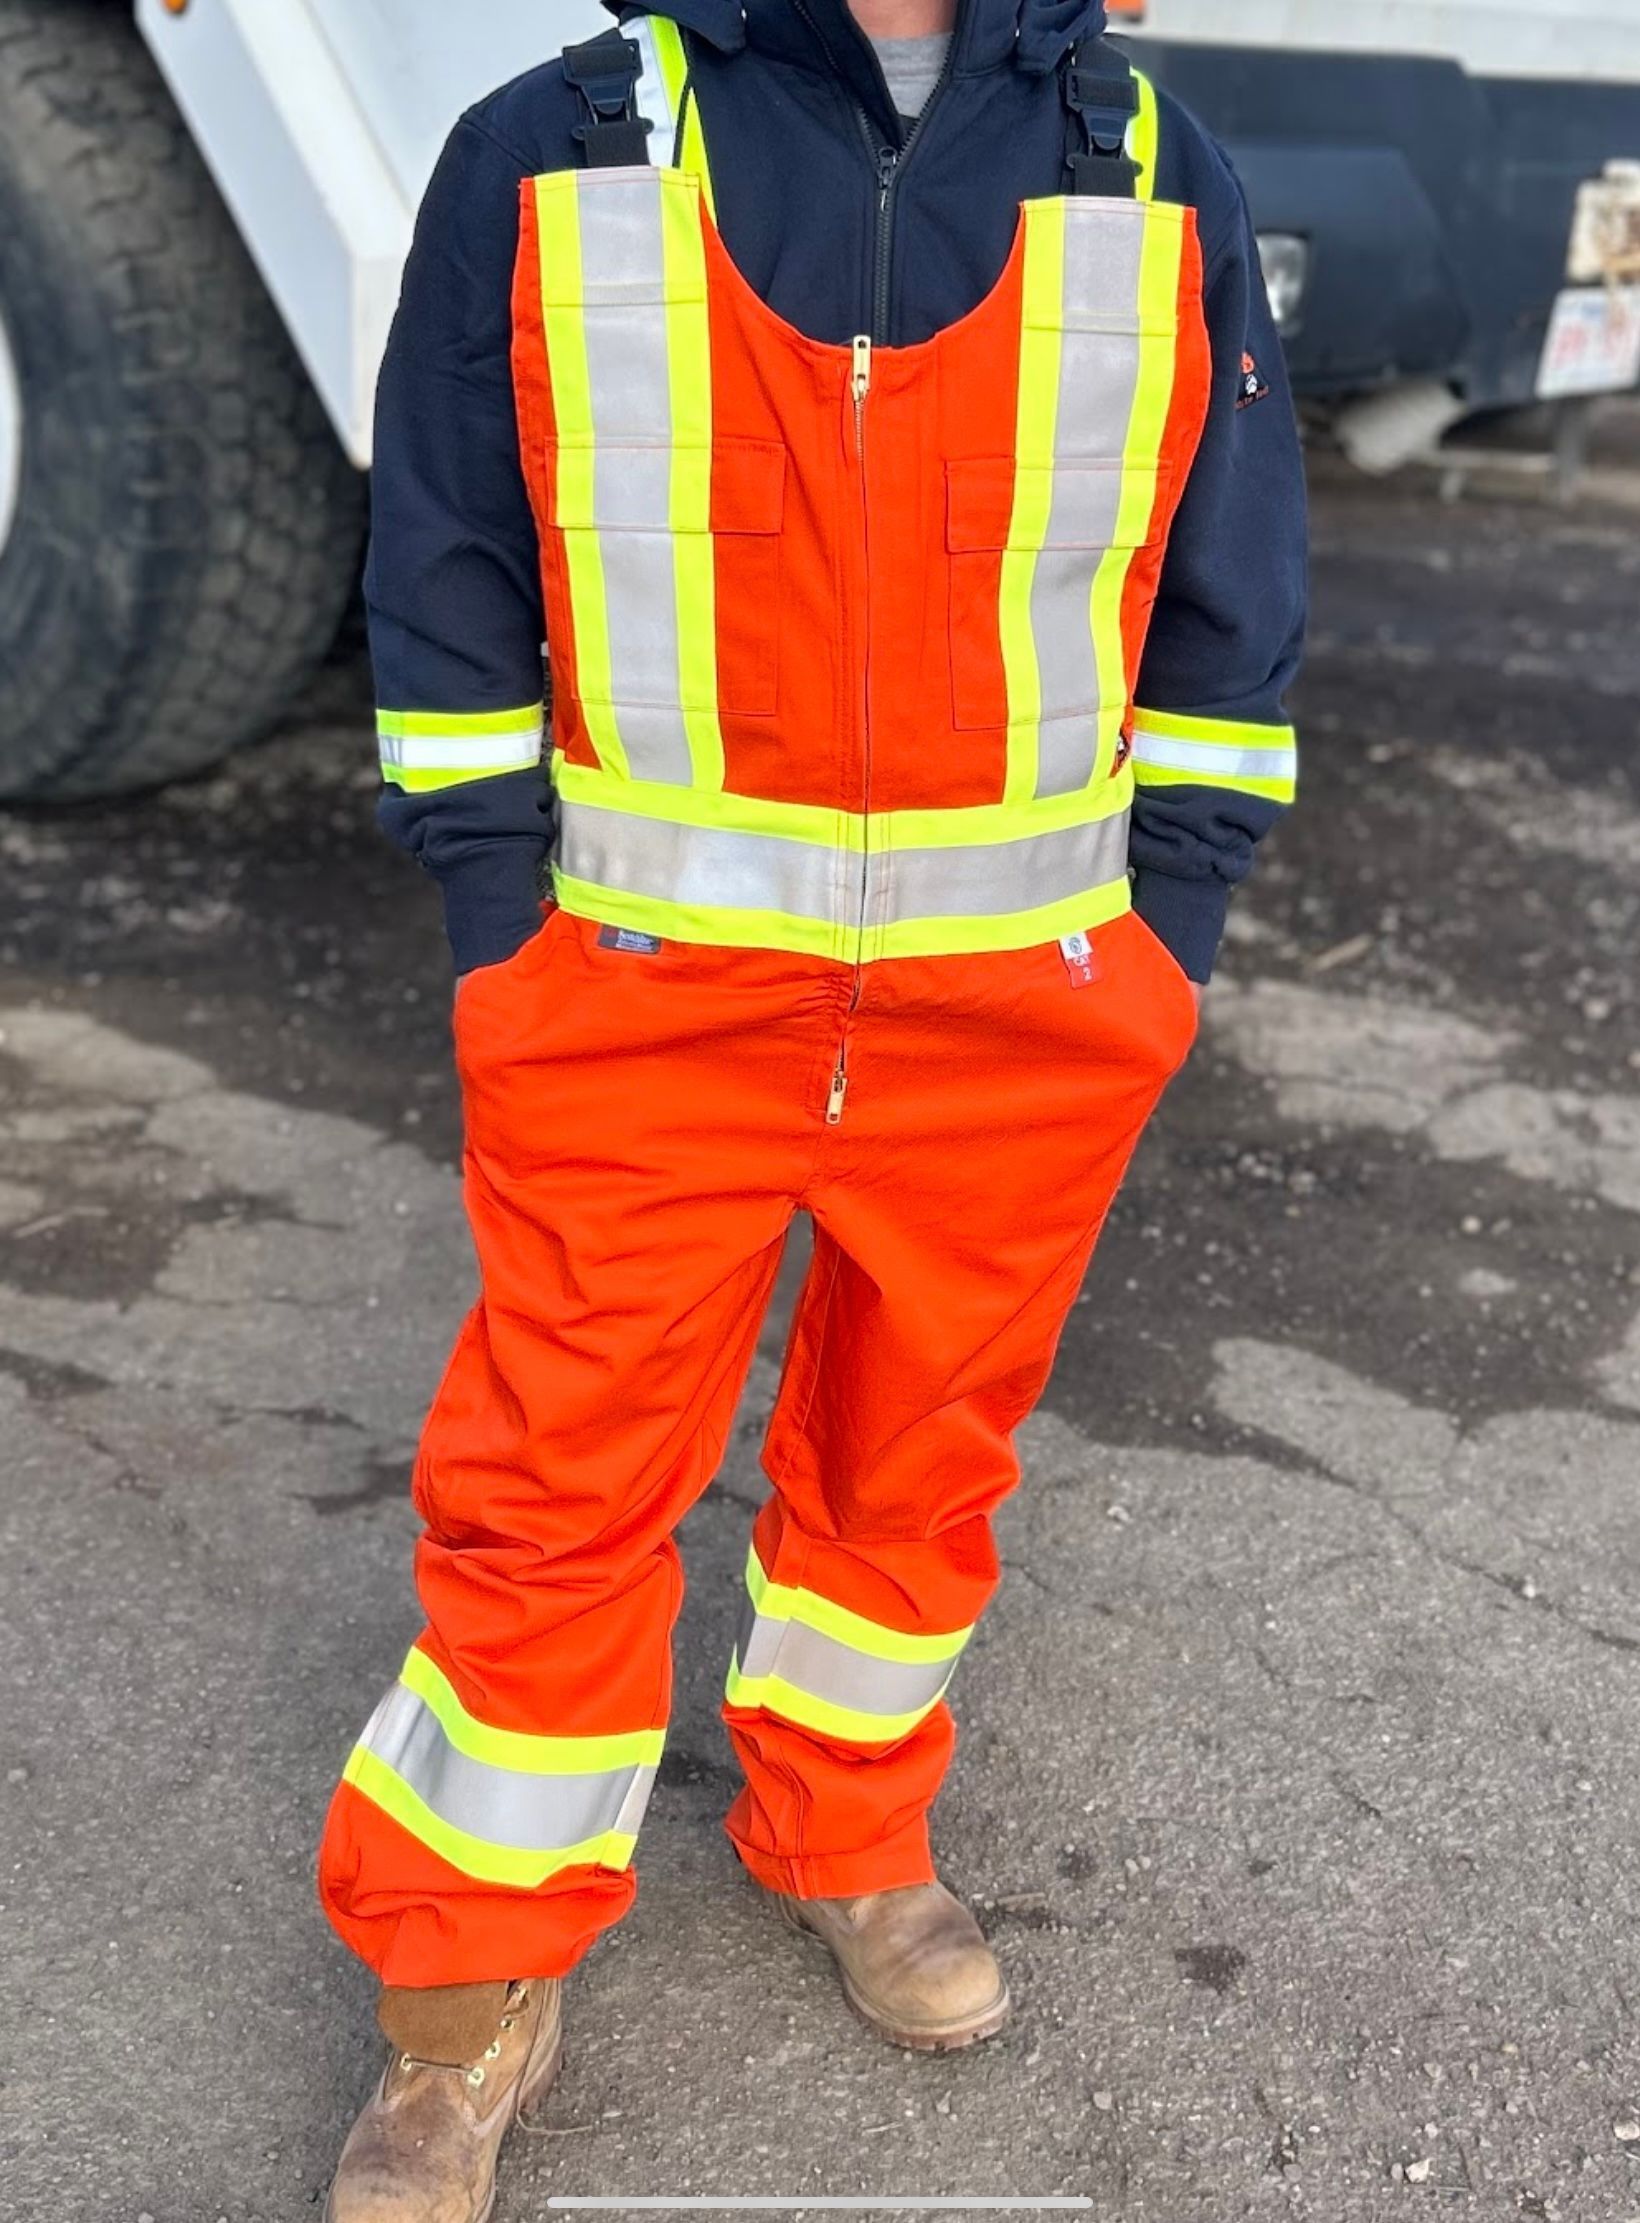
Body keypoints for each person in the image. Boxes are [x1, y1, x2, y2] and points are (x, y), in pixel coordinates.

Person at [319, 0, 1305, 2210]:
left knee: (915, 1456)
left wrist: (1167, 930)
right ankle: (463, 1983)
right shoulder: (550, 147)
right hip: (636, 999)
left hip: (1020, 1009)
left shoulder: (1155, 166)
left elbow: (1229, 586)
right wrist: (498, 918)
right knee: (556, 1478)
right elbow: (445, 557)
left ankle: (844, 1824)